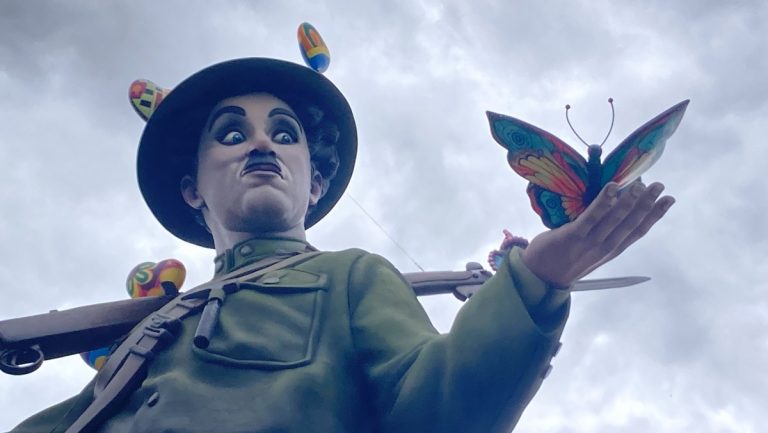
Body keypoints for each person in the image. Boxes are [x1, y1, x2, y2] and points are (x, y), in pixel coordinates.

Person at [11, 57, 674, 433]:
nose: (262, 144)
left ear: (316, 182)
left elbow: (436, 408)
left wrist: (536, 282)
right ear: (192, 188)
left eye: (285, 134)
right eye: (233, 134)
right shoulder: (149, 334)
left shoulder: (352, 276)